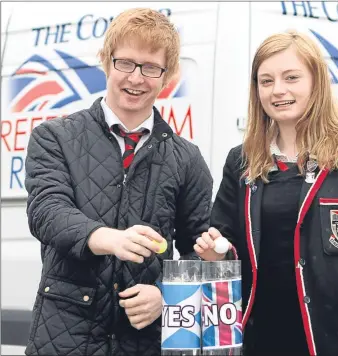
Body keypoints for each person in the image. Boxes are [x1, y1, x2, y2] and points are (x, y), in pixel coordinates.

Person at [194, 30, 338, 355]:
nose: (278, 90)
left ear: (315, 82)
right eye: (266, 81)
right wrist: (217, 251)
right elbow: (225, 239)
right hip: (264, 336)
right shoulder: (242, 159)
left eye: (291, 77)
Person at [24, 8, 212, 356]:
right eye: (125, 62)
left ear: (167, 76)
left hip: (144, 342)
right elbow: (47, 212)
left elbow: (197, 249)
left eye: (150, 68)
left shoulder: (187, 158)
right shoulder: (54, 137)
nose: (136, 78)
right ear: (106, 62)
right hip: (64, 337)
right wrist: (110, 239)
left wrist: (166, 295)